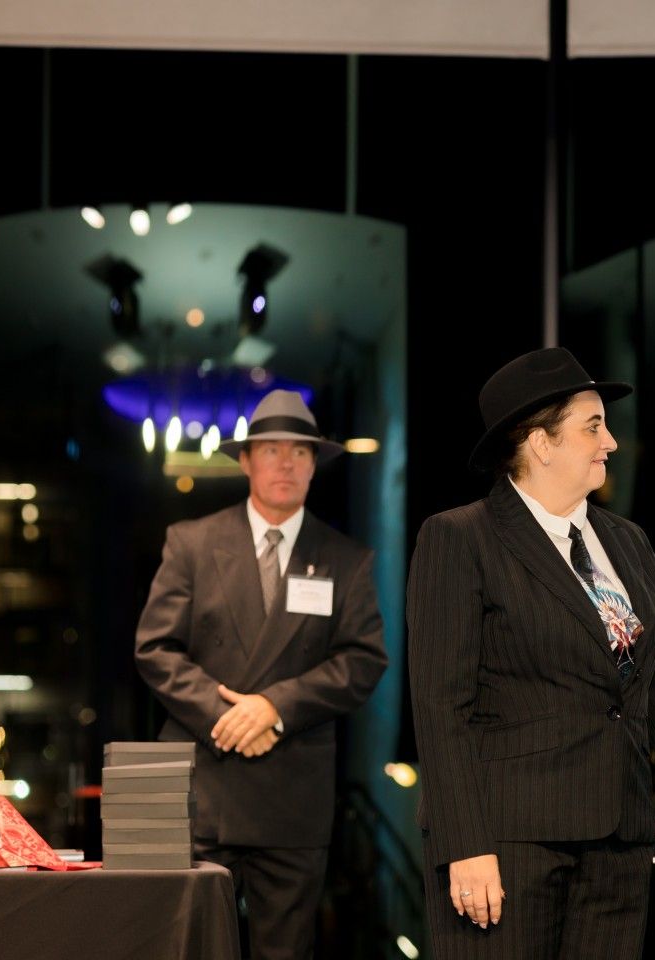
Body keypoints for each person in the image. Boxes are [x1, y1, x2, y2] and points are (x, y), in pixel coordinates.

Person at [407, 347, 655, 959]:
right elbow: (440, 706)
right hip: (508, 845)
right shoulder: (460, 538)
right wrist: (464, 844)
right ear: (540, 442)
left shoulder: (628, 542)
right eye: (593, 426)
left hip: (619, 839)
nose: (611, 442)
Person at [135, 388, 388, 960]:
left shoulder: (347, 559)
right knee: (188, 949)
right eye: (271, 450)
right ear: (245, 460)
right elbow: (155, 648)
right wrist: (226, 715)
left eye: (299, 452)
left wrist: (274, 706)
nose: (286, 463)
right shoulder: (193, 543)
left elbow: (363, 660)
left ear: (315, 465)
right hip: (203, 788)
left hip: (291, 798)